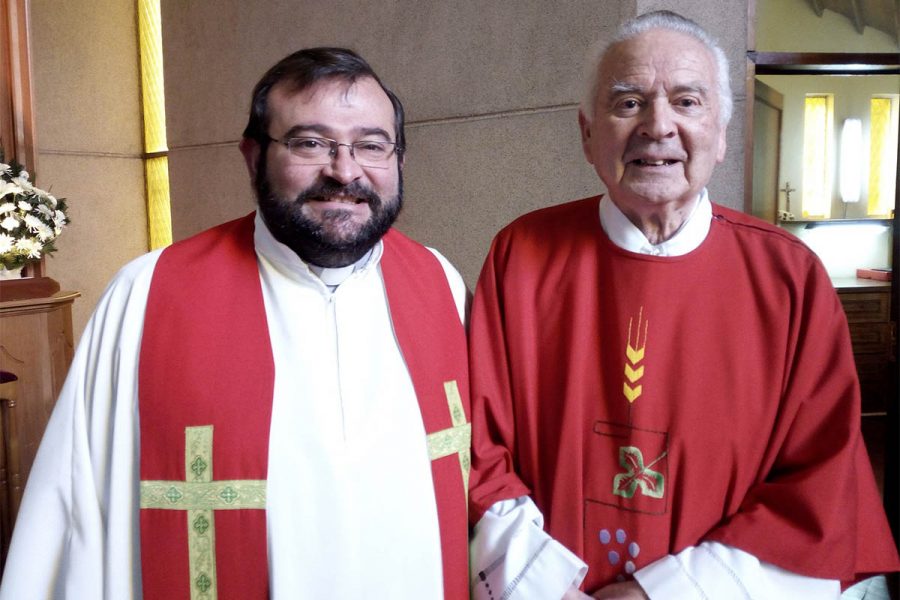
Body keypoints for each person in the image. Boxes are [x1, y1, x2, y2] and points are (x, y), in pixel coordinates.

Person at [0, 47, 471, 599]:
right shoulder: (147, 296)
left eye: (371, 145)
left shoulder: (440, 284)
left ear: (398, 159)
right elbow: (74, 506)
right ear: (253, 156)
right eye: (309, 143)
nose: (345, 171)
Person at [467, 10, 899, 600]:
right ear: (587, 132)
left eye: (687, 102)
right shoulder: (520, 257)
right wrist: (543, 587)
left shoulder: (787, 277)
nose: (658, 125)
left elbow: (820, 481)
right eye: (628, 102)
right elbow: (475, 447)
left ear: (722, 134)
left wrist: (669, 592)